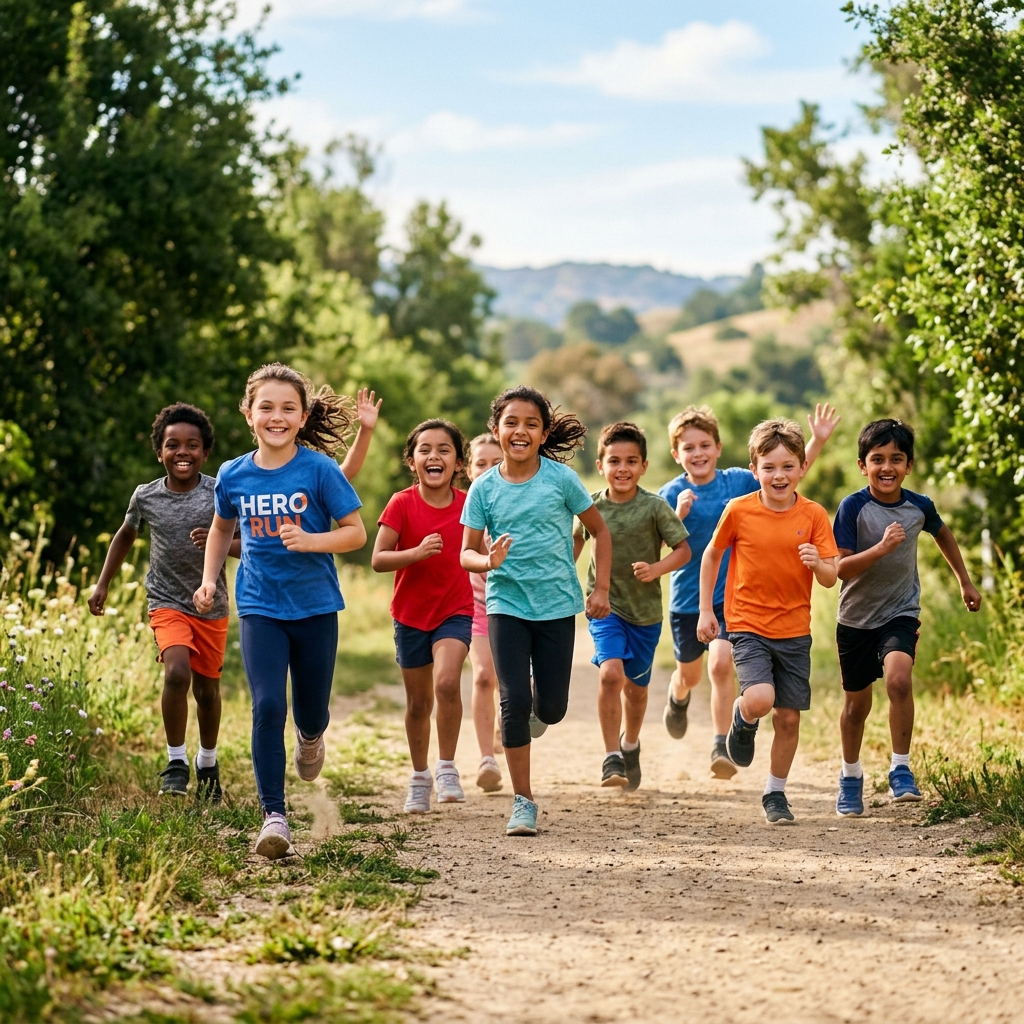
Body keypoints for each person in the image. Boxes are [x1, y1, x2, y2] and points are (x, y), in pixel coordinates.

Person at [194, 363, 367, 860]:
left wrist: (312, 541)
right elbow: (222, 530)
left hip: (315, 607)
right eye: (266, 407)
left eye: (288, 407)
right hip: (260, 605)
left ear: (303, 415)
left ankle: (311, 738)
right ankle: (275, 816)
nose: (277, 416)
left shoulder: (318, 470)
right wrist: (210, 581)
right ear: (249, 414)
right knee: (268, 705)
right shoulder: (233, 473)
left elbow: (355, 532)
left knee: (310, 711)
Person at [461, 385, 612, 837]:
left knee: (553, 707)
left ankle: (533, 705)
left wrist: (600, 587)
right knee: (513, 701)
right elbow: (466, 553)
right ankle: (523, 801)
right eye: (511, 422)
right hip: (505, 603)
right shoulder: (484, 488)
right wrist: (488, 561)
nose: (520, 431)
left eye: (531, 424)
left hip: (556, 605)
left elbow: (599, 533)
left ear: (544, 433)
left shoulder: (560, 479)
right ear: (496, 429)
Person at [659, 402, 840, 778]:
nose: (698, 453)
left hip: (734, 600)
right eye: (689, 447)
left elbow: (782, 470)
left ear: (718, 448)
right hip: (688, 598)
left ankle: (720, 743)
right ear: (677, 454)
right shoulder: (671, 491)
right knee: (690, 675)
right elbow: (659, 546)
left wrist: (818, 441)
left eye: (705, 444)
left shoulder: (737, 482)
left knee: (722, 665)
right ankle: (678, 697)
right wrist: (677, 515)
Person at [88, 403, 240, 801]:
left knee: (208, 694)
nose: (183, 452)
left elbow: (245, 543)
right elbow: (125, 534)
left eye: (193, 445)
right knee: (176, 674)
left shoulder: (219, 493)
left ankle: (207, 760)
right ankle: (176, 762)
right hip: (166, 601)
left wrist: (218, 542)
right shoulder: (147, 496)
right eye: (173, 444)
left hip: (212, 605)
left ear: (206, 453)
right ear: (160, 452)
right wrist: (102, 584)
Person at [833, 419, 982, 815]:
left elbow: (943, 534)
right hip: (855, 619)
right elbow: (841, 570)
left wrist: (965, 582)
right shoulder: (852, 507)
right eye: (877, 459)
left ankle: (900, 769)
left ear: (909, 465)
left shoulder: (919, 506)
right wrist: (881, 549)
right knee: (856, 707)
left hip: (900, 611)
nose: (887, 467)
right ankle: (850, 776)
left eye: (896, 459)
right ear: (862, 465)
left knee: (899, 681)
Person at [696, 418, 839, 825]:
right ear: (754, 468)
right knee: (760, 699)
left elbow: (831, 576)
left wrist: (819, 564)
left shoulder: (813, 514)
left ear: (801, 468)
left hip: (795, 630)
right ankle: (742, 719)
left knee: (789, 718)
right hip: (748, 624)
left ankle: (775, 792)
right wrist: (707, 610)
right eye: (769, 467)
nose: (779, 475)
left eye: (788, 466)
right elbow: (711, 555)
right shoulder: (739, 510)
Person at [574, 422, 690, 790]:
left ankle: (630, 744)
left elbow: (684, 550)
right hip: (604, 606)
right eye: (614, 461)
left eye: (631, 461)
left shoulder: (654, 507)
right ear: (600, 465)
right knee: (610, 674)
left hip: (645, 613)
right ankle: (611, 757)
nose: (622, 468)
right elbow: (574, 545)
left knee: (636, 690)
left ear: (643, 466)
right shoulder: (590, 505)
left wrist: (656, 569)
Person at [372, 420, 475, 814]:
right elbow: (378, 559)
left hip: (455, 609)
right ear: (412, 462)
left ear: (458, 463)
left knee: (447, 682)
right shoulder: (401, 503)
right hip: (411, 615)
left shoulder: (470, 504)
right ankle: (419, 777)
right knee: (418, 704)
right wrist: (413, 553)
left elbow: (483, 547)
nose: (434, 456)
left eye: (444, 449)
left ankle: (447, 767)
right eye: (425, 449)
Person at [466, 433, 506, 793]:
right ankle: (485, 759)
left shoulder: (519, 503)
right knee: (482, 677)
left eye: (497, 463)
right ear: (468, 469)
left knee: (514, 683)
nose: (489, 470)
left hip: (518, 607)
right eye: (481, 463)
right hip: (477, 606)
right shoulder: (466, 508)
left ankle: (501, 728)